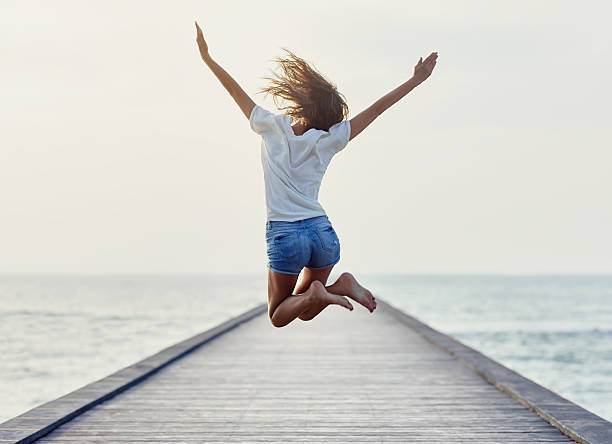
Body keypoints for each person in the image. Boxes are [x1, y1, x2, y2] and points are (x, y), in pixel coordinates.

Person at [194, 21, 437, 328]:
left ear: (302, 102)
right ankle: (339, 286)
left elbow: (234, 91)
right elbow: (376, 109)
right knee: (306, 308)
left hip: (286, 233)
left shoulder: (271, 126)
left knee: (279, 314)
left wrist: (208, 59)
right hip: (322, 234)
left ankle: (325, 292)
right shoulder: (329, 140)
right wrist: (415, 80)